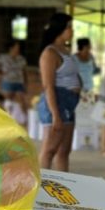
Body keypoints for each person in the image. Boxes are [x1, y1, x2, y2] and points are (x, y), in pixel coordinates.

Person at [36, 13, 80, 171]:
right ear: (59, 29)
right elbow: (48, 86)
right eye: (69, 27)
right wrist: (55, 115)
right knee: (49, 150)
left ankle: (63, 185)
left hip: (69, 102)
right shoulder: (50, 53)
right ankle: (41, 185)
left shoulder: (66, 51)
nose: (72, 30)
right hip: (56, 102)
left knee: (64, 151)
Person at [0, 39, 28, 114]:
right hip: (8, 82)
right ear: (11, 48)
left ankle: (24, 118)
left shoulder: (21, 59)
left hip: (19, 82)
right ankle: (6, 116)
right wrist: (0, 72)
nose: (18, 49)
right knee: (8, 102)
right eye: (16, 47)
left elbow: (24, 72)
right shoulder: (3, 57)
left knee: (22, 101)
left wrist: (25, 84)